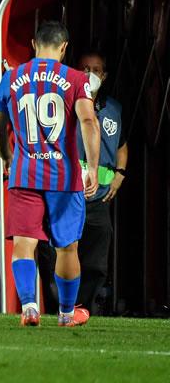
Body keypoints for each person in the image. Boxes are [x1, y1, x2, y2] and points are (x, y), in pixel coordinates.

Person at [0, 20, 100, 327]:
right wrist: (91, 167)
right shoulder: (77, 79)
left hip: (25, 174)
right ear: (64, 48)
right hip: (64, 178)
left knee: (24, 243)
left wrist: (7, 157)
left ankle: (28, 307)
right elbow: (89, 122)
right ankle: (66, 314)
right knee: (67, 246)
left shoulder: (11, 78)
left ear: (34, 45)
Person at [75, 50, 126, 315]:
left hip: (100, 197)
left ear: (104, 76)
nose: (90, 74)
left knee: (96, 259)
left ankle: (85, 308)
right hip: (69, 194)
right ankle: (60, 305)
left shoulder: (113, 109)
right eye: (84, 68)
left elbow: (122, 145)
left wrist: (120, 174)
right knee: (61, 250)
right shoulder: (63, 103)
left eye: (96, 70)